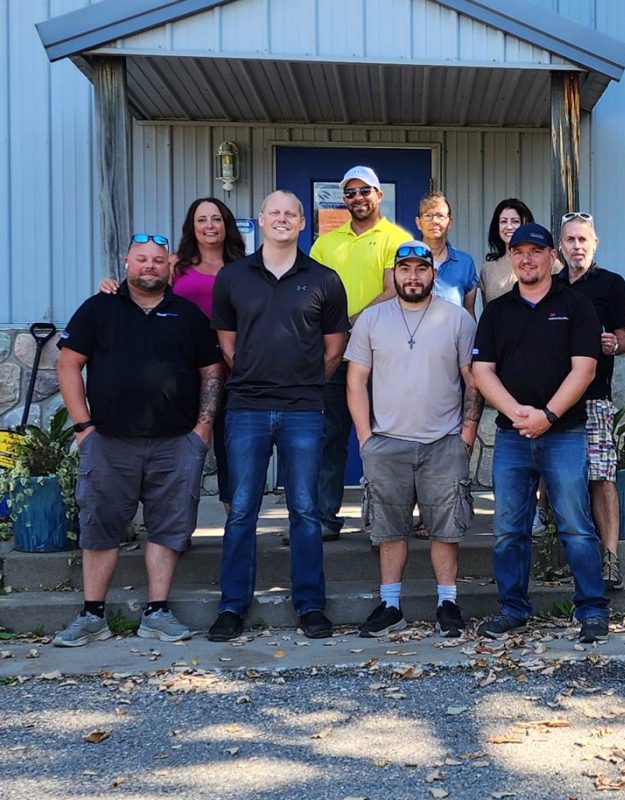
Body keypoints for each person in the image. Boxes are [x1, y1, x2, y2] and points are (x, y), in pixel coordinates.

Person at [53, 234, 223, 647]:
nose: (150, 266)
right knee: (100, 526)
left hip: (175, 443)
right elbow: (69, 364)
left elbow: (212, 371)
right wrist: (83, 427)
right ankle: (92, 615)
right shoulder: (98, 308)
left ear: (170, 268)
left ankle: (157, 612)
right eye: (142, 259)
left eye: (158, 260)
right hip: (109, 442)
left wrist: (202, 429)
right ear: (127, 263)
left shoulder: (188, 315)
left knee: (168, 528)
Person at [208, 190, 349, 641]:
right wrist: (256, 376)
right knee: (241, 510)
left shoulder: (325, 279)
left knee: (305, 511)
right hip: (246, 408)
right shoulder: (232, 277)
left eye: (291, 213)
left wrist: (302, 382)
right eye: (275, 213)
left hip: (303, 410)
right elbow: (227, 343)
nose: (282, 219)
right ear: (261, 220)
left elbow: (334, 348)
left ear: (303, 223)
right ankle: (232, 605)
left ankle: (310, 605)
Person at [471, 223, 610, 644]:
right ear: (511, 258)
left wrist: (547, 415)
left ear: (553, 256)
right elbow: (482, 371)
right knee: (508, 530)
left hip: (563, 433)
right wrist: (517, 414)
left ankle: (592, 610)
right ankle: (513, 609)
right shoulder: (497, 311)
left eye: (535, 251)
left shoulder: (576, 305)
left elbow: (585, 369)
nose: (526, 259)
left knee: (576, 526)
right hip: (512, 436)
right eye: (519, 252)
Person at [346, 241, 483, 638]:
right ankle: (390, 605)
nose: (412, 277)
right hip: (387, 441)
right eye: (404, 269)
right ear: (394, 274)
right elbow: (355, 381)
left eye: (420, 269)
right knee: (388, 528)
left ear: (432, 274)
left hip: (444, 441)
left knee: (446, 526)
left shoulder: (457, 320)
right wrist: (365, 438)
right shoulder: (372, 320)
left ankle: (447, 602)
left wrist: (466, 436)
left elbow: (473, 381)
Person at [98, 197, 245, 512]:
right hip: (184, 373)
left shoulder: (243, 268)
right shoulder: (176, 265)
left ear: (226, 225)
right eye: (201, 219)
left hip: (234, 370)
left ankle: (236, 526)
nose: (209, 226)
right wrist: (110, 286)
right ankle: (176, 526)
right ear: (192, 226)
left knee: (233, 454)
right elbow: (140, 288)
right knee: (182, 454)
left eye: (216, 219)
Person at [310, 166, 411, 541]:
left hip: (380, 354)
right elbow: (311, 291)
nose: (357, 198)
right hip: (334, 355)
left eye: (364, 191)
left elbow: (393, 289)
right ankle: (324, 518)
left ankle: (385, 520)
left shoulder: (397, 239)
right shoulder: (325, 243)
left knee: (383, 438)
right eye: (350, 193)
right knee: (329, 437)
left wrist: (349, 322)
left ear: (378, 195)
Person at [478, 198, 561, 537]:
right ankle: (517, 512)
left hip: (545, 361)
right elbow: (490, 314)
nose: (509, 226)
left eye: (516, 220)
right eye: (503, 221)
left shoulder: (550, 264)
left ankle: (541, 509)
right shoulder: (489, 269)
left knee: (545, 440)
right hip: (507, 362)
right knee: (515, 442)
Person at [558, 212, 625, 590]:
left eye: (583, 239)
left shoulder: (611, 284)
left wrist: (614, 344)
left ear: (595, 243)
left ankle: (611, 559)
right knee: (558, 480)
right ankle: (562, 559)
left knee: (601, 478)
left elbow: (624, 338)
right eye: (570, 240)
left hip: (594, 399)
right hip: (554, 401)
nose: (577, 246)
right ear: (560, 246)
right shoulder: (550, 285)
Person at [415, 192, 478, 318]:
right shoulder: (408, 261)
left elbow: (469, 313)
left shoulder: (464, 263)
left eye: (440, 216)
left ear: (449, 223)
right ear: (418, 223)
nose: (434, 221)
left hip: (454, 331)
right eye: (428, 216)